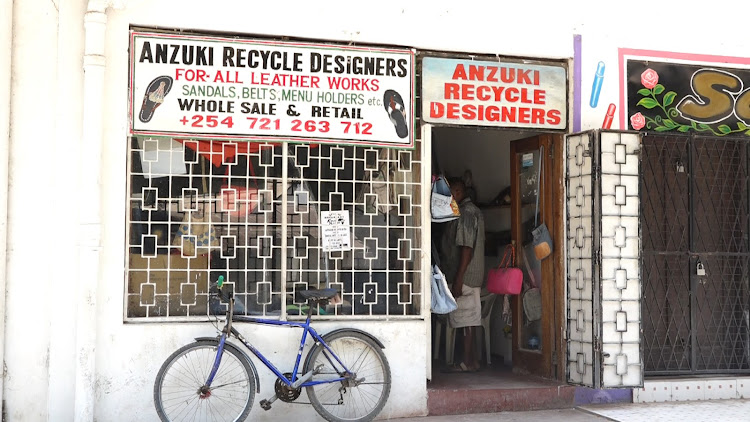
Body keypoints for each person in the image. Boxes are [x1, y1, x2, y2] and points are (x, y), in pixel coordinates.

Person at [439, 176, 485, 372]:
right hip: (469, 276)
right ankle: (472, 361)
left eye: (451, 194)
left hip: (465, 277)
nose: (449, 198)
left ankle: (466, 362)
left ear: (458, 193)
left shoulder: (466, 213)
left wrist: (458, 280)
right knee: (470, 321)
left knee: (466, 321)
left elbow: (466, 249)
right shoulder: (470, 211)